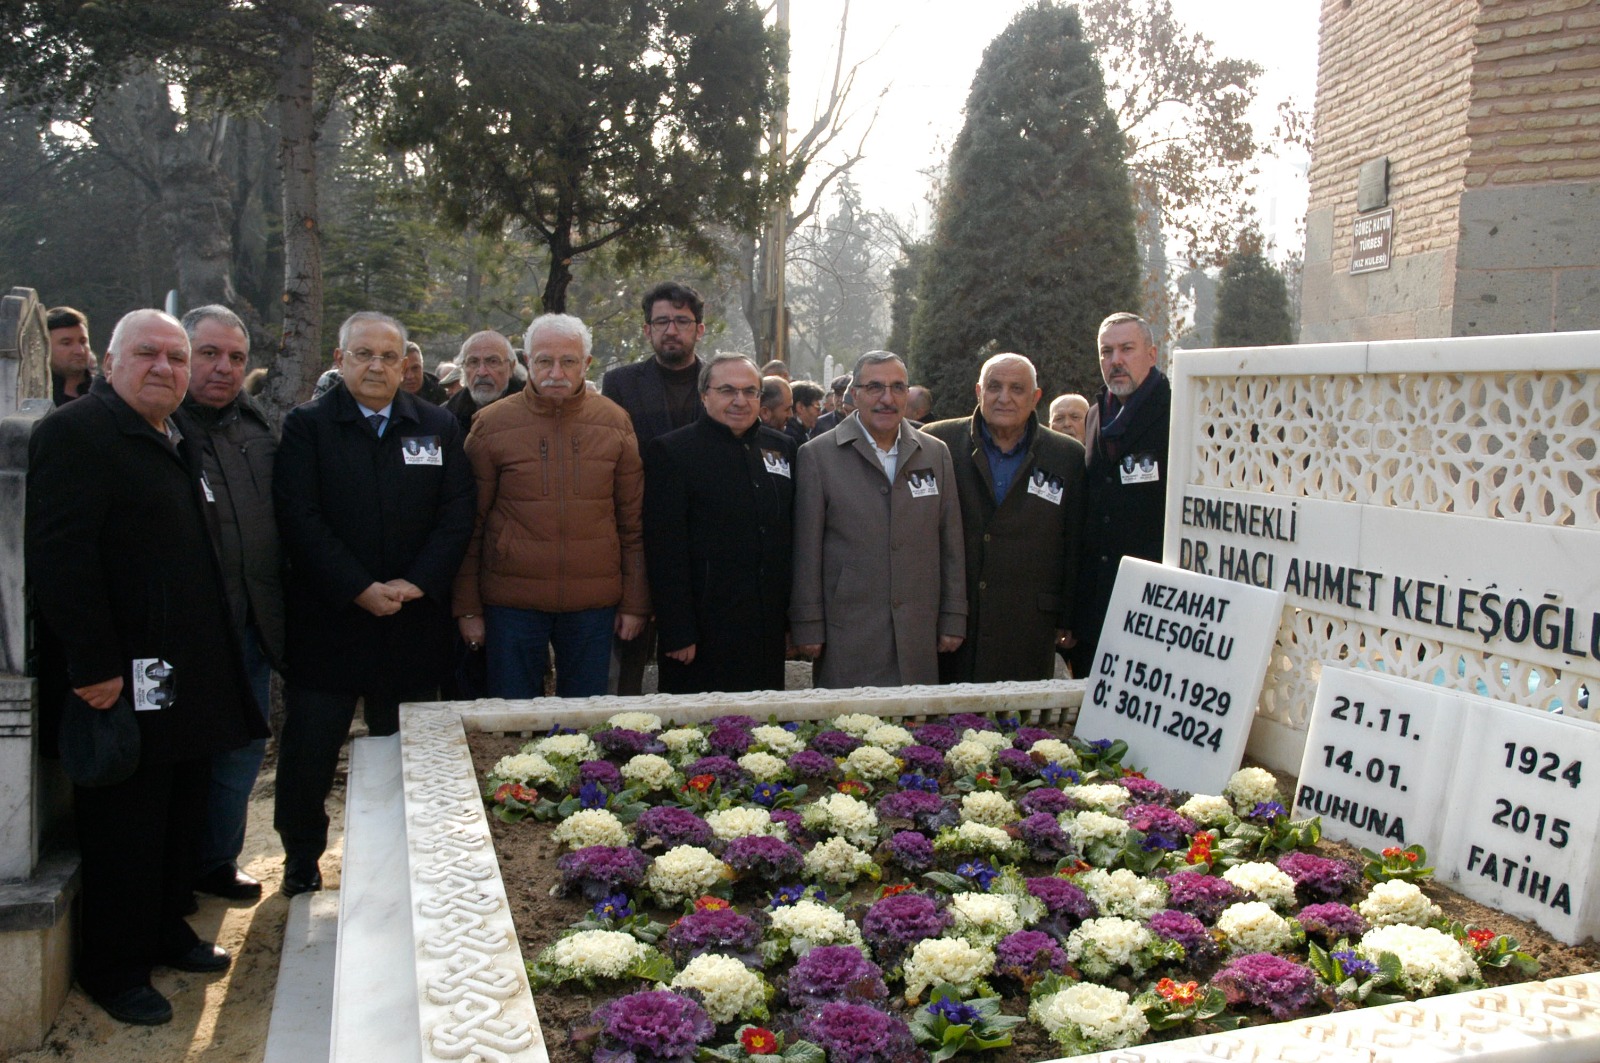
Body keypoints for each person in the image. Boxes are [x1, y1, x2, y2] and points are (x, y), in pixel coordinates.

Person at [26, 309, 267, 1025]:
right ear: (109, 361)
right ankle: (115, 966)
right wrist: (93, 663)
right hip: (120, 671)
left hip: (186, 668)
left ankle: (167, 931)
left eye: (175, 356)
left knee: (179, 812)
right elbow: (62, 558)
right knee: (126, 823)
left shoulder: (177, 433)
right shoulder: (78, 434)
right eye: (147, 354)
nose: (164, 367)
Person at [273, 311, 475, 897]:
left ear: (405, 364)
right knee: (311, 748)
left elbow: (456, 513)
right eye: (364, 354)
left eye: (389, 356)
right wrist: (358, 587)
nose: (377, 366)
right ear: (340, 361)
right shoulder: (308, 427)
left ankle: (404, 852)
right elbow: (299, 518)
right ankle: (302, 856)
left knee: (405, 746)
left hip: (412, 621)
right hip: (331, 620)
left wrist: (418, 582)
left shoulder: (435, 426)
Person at [455, 314, 648, 697]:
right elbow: (469, 525)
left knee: (584, 727)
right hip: (511, 605)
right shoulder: (491, 426)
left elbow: (632, 523)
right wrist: (468, 608)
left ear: (587, 364)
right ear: (527, 361)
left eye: (569, 361)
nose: (555, 372)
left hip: (593, 606)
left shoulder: (615, 423)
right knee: (513, 725)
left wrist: (635, 602)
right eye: (544, 361)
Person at [179, 305, 284, 904]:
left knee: (243, 748)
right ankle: (177, 872)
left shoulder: (253, 428)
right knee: (188, 755)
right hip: (189, 631)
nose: (223, 368)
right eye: (209, 354)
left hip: (252, 623)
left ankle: (219, 859)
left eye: (236, 358)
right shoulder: (162, 427)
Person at [790, 351, 966, 687]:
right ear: (854, 395)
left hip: (918, 631)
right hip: (849, 634)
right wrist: (808, 624)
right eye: (875, 387)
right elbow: (806, 550)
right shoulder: (817, 456)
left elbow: (951, 541)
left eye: (898, 387)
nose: (887, 398)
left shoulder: (935, 453)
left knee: (918, 733)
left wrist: (954, 616)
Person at [924, 353, 1085, 682]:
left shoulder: (1067, 455)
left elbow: (1074, 539)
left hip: (1028, 623)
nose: (1004, 398)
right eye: (994, 387)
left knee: (1016, 726)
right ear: (978, 392)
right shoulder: (937, 442)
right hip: (951, 622)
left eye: (1017, 388)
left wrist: (1068, 615)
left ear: (1035, 397)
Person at [643, 354, 795, 693]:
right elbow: (664, 549)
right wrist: (677, 630)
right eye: (727, 390)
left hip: (765, 627)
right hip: (702, 629)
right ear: (704, 395)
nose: (740, 400)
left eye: (750, 391)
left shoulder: (783, 448)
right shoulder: (672, 452)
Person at [600, 281, 708, 694]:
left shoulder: (719, 382)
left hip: (699, 537)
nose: (671, 330)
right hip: (637, 529)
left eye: (682, 321)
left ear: (699, 328)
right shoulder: (622, 383)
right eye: (662, 321)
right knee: (627, 658)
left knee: (691, 661)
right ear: (647, 330)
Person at [1066, 312, 1171, 676]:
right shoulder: (1096, 416)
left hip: (1154, 603)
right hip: (1097, 605)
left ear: (1152, 354)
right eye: (1106, 352)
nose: (1116, 361)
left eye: (1127, 349)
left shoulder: (1178, 410)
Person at [442, 331, 519, 432]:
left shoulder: (533, 411)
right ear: (463, 368)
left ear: (511, 367)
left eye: (492, 361)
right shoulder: (446, 418)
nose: (482, 372)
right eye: (473, 362)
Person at [47, 305, 93, 405]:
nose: (79, 351)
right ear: (46, 347)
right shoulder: (34, 396)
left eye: (83, 342)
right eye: (66, 343)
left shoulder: (105, 394)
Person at [809, 373, 853, 438]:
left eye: (844, 395)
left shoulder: (864, 421)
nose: (841, 400)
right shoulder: (821, 423)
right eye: (838, 395)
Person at [789, 379, 824, 446]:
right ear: (800, 407)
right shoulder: (793, 438)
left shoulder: (800, 431)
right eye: (817, 408)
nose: (820, 413)